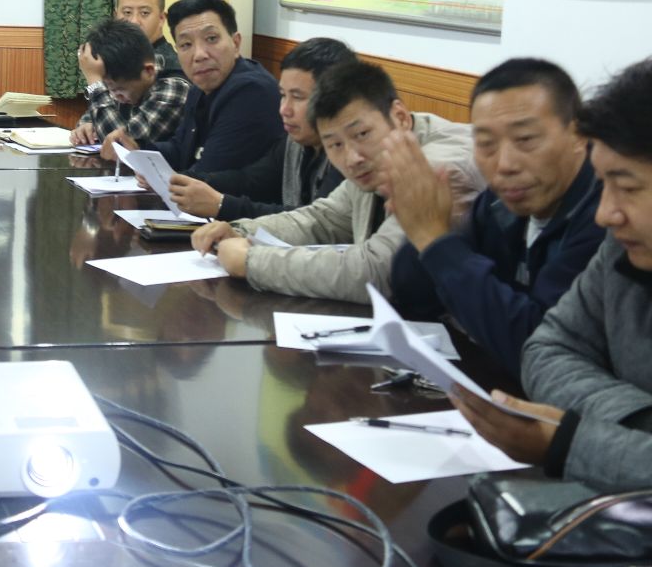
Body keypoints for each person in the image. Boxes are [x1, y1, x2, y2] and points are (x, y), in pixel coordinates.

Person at [452, 58, 652, 492]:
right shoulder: (621, 247)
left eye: (628, 187)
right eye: (604, 183)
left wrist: (570, 442)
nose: (605, 213)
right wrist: (639, 423)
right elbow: (547, 347)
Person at [191, 60, 482, 303]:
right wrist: (241, 231)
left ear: (400, 117)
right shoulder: (380, 157)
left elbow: (378, 272)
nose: (352, 158)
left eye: (362, 134)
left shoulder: (439, 168)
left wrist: (252, 263)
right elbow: (323, 219)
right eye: (335, 145)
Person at [386, 59, 605, 378]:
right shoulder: (500, 202)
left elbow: (536, 348)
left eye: (525, 139)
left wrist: (434, 239)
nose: (505, 164)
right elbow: (416, 301)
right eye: (486, 144)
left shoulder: (605, 215)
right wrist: (423, 229)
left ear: (578, 135)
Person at [167, 37, 355, 221]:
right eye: (283, 95)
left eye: (297, 97)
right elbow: (251, 180)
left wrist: (221, 205)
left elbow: (314, 222)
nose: (284, 109)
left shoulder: (351, 155)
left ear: (334, 100)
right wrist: (187, 180)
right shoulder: (294, 142)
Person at [102, 0, 282, 176]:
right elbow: (180, 149)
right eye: (186, 44)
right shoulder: (200, 88)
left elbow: (209, 173)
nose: (199, 55)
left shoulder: (250, 91)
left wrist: (160, 177)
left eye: (211, 39)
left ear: (235, 44)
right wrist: (138, 149)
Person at [70, 18, 189, 147]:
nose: (114, 96)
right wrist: (86, 126)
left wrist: (94, 83)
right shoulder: (119, 76)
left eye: (119, 90)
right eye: (107, 88)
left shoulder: (175, 88)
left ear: (149, 71)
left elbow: (122, 146)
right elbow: (92, 117)